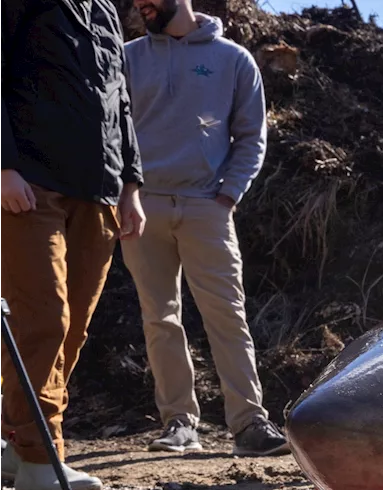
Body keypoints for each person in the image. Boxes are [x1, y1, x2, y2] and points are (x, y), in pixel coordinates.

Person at [121, 0, 289, 456]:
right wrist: (126, 191)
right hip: (143, 206)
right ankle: (180, 424)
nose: (142, 6)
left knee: (227, 315)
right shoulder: (128, 57)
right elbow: (113, 130)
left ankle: (250, 424)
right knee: (159, 318)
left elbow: (252, 135)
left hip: (207, 206)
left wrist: (228, 195)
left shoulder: (232, 60)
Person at [0, 0, 147, 490]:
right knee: (44, 317)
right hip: (29, 182)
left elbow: (119, 100)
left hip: (99, 188)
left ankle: (16, 444)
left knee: (74, 327)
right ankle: (43, 459)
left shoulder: (105, 10)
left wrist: (131, 183)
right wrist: (2, 167)